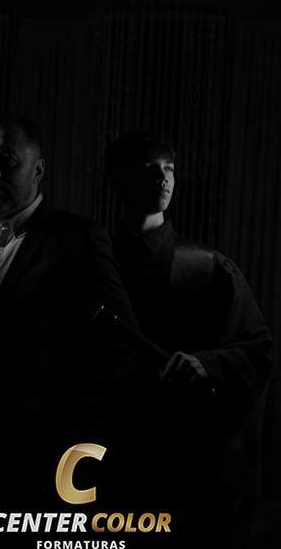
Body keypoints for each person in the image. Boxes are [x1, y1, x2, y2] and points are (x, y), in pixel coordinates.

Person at [0, 114, 142, 538]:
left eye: (7, 159)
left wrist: (70, 430)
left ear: (38, 170)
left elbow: (124, 347)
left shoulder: (78, 239)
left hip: (48, 464)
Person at [105, 130, 273, 546]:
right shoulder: (93, 262)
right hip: (103, 453)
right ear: (118, 179)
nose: (162, 178)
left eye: (169, 168)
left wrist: (207, 363)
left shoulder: (208, 267)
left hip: (181, 462)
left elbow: (255, 349)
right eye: (149, 168)